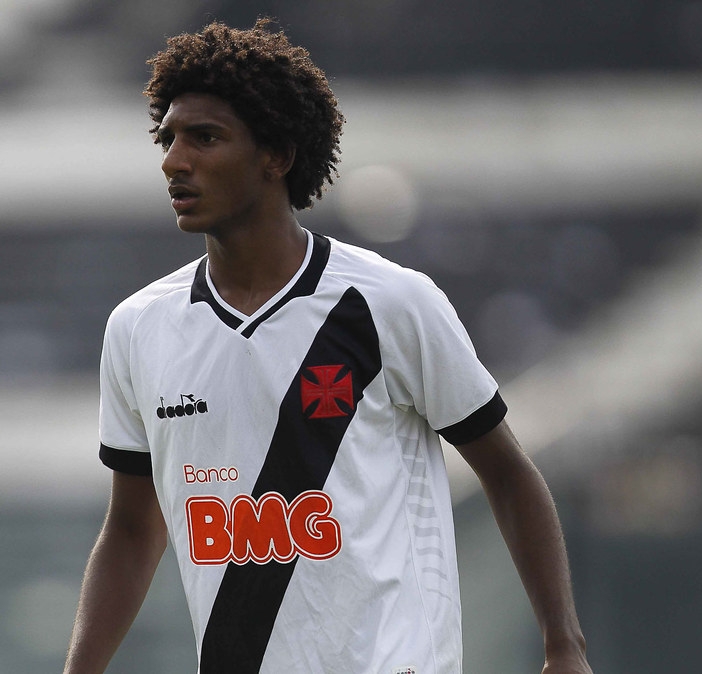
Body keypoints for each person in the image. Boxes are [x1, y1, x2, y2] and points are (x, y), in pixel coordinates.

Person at [63, 18, 592, 674]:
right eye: (168, 139)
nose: (175, 160)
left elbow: (508, 473)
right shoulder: (139, 328)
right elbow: (131, 528)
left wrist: (563, 645)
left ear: (277, 156)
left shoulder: (389, 303)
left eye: (205, 137)